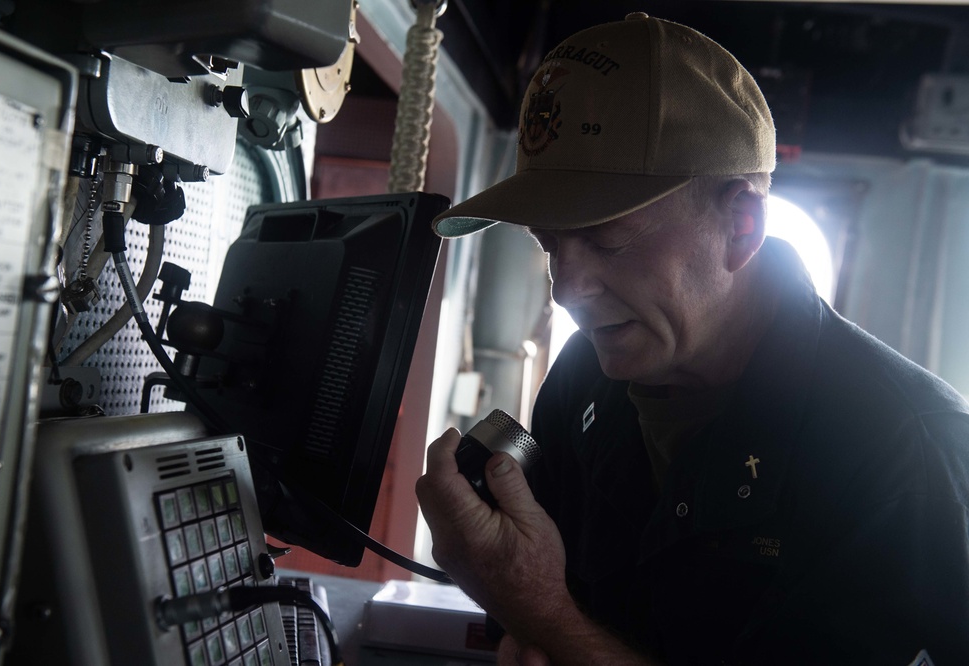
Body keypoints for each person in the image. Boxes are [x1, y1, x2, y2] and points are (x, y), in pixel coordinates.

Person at [415, 12, 969, 666]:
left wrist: (543, 617)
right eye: (549, 244)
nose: (567, 290)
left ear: (741, 225)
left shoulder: (907, 455)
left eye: (606, 241)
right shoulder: (580, 379)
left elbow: (549, 613)